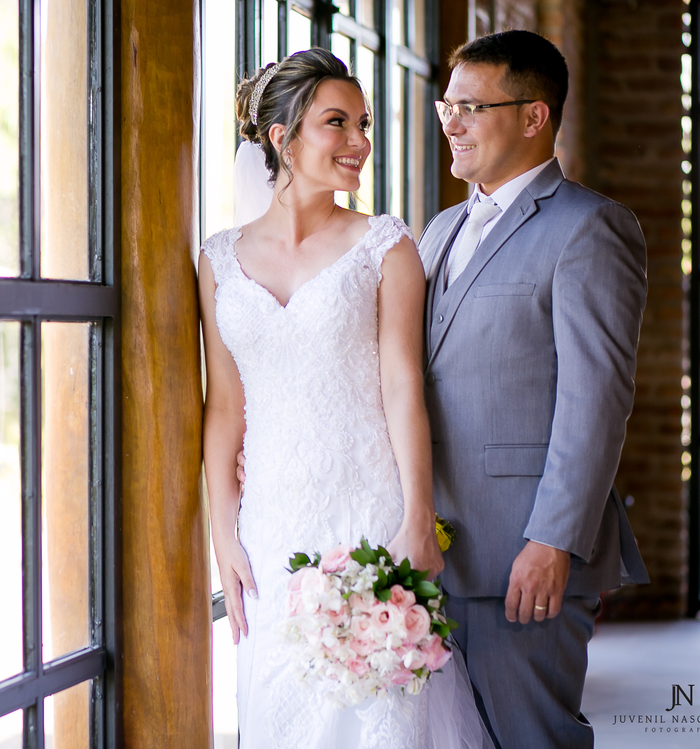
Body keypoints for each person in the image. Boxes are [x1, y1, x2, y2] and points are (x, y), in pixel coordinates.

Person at [200, 47, 491, 749]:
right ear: (283, 137)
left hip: (368, 509)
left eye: (363, 123)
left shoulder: (385, 246)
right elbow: (225, 404)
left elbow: (403, 387)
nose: (359, 140)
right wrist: (224, 532)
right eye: (338, 122)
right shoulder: (218, 259)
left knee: (378, 711)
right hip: (270, 523)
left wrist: (416, 518)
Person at [419, 30, 650, 749]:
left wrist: (552, 539)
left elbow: (596, 403)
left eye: (471, 107)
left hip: (524, 555)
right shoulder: (439, 231)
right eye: (446, 107)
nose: (452, 123)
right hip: (431, 550)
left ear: (533, 116)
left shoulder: (590, 228)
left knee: (530, 738)